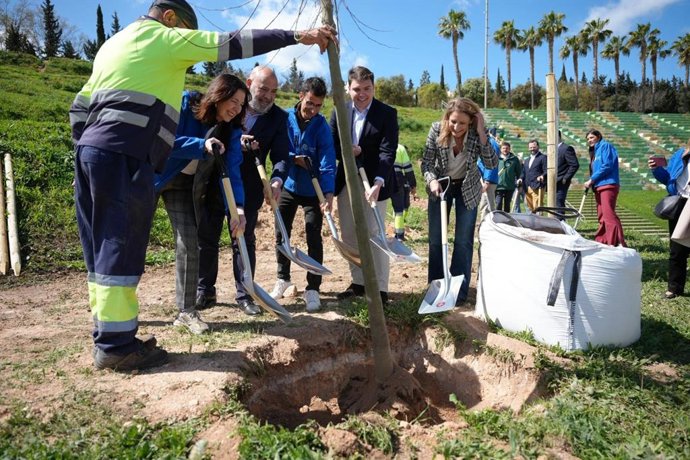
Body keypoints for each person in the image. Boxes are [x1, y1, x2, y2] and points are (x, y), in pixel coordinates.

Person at [70, 0, 336, 371]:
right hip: (126, 156)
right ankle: (116, 345)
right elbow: (233, 42)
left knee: (102, 245)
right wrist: (296, 35)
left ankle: (109, 333)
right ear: (169, 18)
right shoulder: (163, 37)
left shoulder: (114, 44)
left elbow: (79, 108)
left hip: (91, 152)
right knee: (120, 245)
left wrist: (90, 147)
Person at [154, 74, 248, 335]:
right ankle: (121, 310)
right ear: (219, 94)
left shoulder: (230, 130)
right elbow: (162, 141)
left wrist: (237, 208)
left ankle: (185, 312)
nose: (237, 109)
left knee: (189, 243)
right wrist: (200, 145)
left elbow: (233, 170)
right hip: (154, 176)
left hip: (185, 186)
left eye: (241, 105)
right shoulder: (187, 104)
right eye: (234, 101)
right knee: (133, 243)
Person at [196, 66, 290, 316]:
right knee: (207, 236)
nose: (268, 96)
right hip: (212, 181)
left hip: (247, 188)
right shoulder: (229, 105)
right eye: (263, 89)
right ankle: (205, 290)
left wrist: (277, 181)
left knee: (243, 240)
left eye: (273, 91)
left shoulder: (279, 118)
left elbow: (282, 155)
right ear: (249, 83)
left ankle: (245, 293)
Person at [331, 66, 399, 304]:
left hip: (374, 184)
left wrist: (378, 181)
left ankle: (380, 289)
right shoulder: (339, 112)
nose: (362, 94)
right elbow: (332, 145)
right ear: (348, 89)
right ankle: (359, 283)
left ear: (374, 88)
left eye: (367, 89)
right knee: (350, 234)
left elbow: (387, 151)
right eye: (356, 89)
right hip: (347, 181)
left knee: (374, 234)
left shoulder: (387, 113)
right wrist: (346, 151)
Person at [421, 97, 498, 305]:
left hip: (467, 188)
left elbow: (491, 163)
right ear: (447, 118)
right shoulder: (437, 130)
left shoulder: (476, 135)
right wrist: (432, 181)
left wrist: (482, 133)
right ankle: (436, 289)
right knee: (437, 240)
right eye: (453, 121)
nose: (456, 127)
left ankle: (459, 292)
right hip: (441, 187)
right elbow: (426, 163)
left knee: (463, 242)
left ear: (471, 122)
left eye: (462, 123)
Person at [268, 77, 336, 312]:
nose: (312, 110)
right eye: (309, 103)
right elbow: (276, 149)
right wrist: (291, 158)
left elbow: (328, 161)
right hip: (288, 185)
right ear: (301, 96)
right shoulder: (285, 119)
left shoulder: (322, 127)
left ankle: (313, 288)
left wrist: (328, 193)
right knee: (281, 233)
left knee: (313, 235)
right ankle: (283, 278)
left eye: (318, 105)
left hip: (313, 191)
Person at [649, 143, 690, 298]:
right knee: (677, 249)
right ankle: (674, 288)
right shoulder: (680, 154)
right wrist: (656, 169)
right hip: (681, 203)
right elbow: (668, 179)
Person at [583, 129, 626, 247]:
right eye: (588, 139)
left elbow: (607, 166)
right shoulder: (594, 152)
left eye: (591, 138)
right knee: (602, 215)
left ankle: (616, 242)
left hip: (608, 184)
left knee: (608, 214)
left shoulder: (606, 146)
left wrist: (592, 179)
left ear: (598, 136)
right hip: (598, 186)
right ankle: (603, 240)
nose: (589, 141)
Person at [391, 144, 417, 241]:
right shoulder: (400, 148)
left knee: (378, 206)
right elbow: (408, 169)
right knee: (399, 210)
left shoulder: (377, 143)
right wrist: (413, 185)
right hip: (397, 180)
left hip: (381, 179)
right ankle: (399, 236)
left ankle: (376, 234)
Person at [517, 139, 547, 213]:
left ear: (538, 147)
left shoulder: (543, 157)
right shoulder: (527, 160)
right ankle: (533, 222)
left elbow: (546, 170)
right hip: (527, 187)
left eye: (534, 147)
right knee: (530, 207)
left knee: (537, 206)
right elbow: (523, 172)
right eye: (530, 147)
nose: (532, 149)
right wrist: (520, 178)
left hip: (537, 185)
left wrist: (542, 176)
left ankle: (538, 222)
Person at [556, 130, 580, 213]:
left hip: (561, 182)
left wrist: (565, 178)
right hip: (553, 182)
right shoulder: (551, 149)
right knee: (553, 204)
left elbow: (574, 164)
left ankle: (561, 222)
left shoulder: (566, 148)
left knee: (559, 203)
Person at [495, 141, 522, 212]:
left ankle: (506, 221)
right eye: (503, 148)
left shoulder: (514, 159)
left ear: (509, 149)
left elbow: (519, 172)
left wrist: (519, 179)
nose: (505, 150)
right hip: (498, 186)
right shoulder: (496, 158)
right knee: (498, 204)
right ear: (501, 149)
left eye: (507, 148)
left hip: (509, 186)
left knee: (507, 206)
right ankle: (498, 220)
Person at [477, 136, 500, 220]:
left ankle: (489, 224)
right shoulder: (482, 142)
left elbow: (491, 163)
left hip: (488, 180)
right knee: (484, 204)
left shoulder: (491, 143)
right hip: (482, 177)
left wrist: (487, 180)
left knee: (487, 205)